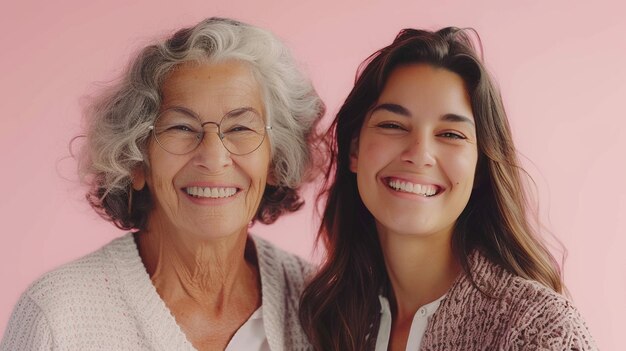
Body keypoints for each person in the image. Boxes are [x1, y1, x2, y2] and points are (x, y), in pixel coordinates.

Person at [1, 17, 324, 350]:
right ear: (136, 159)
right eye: (181, 128)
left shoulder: (321, 307)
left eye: (240, 128)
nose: (213, 158)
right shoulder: (58, 317)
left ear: (275, 160)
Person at [299, 27, 597, 350]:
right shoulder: (327, 322)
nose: (419, 154)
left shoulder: (541, 333)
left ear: (480, 166)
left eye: (451, 134)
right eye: (392, 125)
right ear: (354, 151)